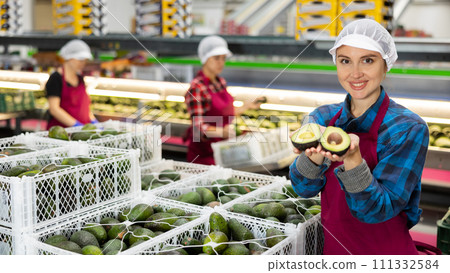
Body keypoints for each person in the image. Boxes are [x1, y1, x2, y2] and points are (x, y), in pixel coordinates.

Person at [289, 19, 429, 255]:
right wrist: (313, 155)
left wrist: (353, 159)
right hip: (334, 252)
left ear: (386, 65)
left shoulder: (407, 128)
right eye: (345, 61)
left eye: (368, 60)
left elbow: (374, 211)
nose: (355, 73)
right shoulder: (320, 118)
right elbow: (303, 189)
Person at [184, 35, 264, 165]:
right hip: (203, 156)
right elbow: (197, 128)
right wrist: (222, 132)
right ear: (205, 59)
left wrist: (247, 106)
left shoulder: (220, 82)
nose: (221, 62)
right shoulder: (197, 88)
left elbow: (225, 113)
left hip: (222, 151)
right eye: (216, 58)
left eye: (223, 58)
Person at [45, 39, 98, 129]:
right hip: (62, 134)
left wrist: (94, 122)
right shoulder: (56, 78)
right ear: (69, 57)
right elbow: (54, 109)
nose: (83, 63)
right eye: (80, 59)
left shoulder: (80, 79)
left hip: (82, 134)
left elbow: (84, 107)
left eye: (84, 60)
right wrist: (76, 125)